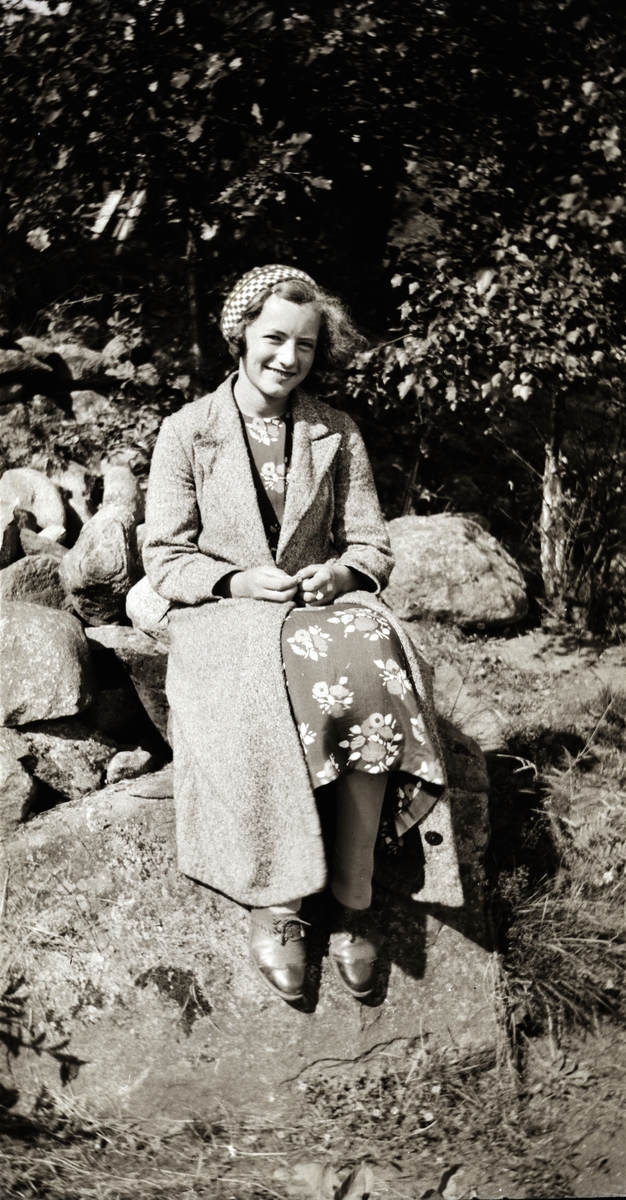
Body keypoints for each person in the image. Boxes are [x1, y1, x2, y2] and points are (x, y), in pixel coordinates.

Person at [142, 264, 446, 1004]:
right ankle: (276, 899)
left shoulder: (335, 431)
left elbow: (372, 544)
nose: (287, 358)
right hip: (227, 616)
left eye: (305, 346)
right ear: (241, 334)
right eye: (274, 338)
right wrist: (235, 581)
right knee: (259, 696)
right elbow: (165, 556)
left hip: (319, 608)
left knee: (374, 668)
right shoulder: (187, 431)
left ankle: (352, 894)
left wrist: (341, 574)